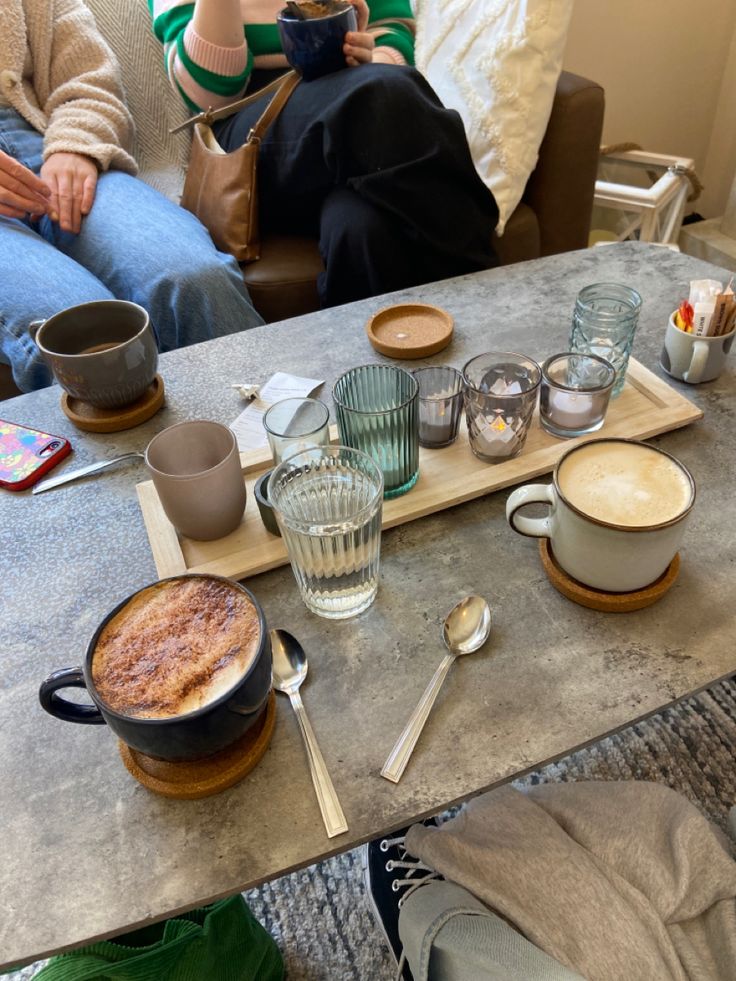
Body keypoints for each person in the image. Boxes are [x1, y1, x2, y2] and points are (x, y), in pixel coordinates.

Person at [150, 0, 500, 308]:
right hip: (250, 136)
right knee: (382, 96)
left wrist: (368, 57)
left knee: (361, 230)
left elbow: (393, 36)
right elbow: (210, 93)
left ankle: (365, 377)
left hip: (357, 116)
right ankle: (488, 302)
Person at [0, 0, 264, 394]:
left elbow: (90, 80)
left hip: (46, 139)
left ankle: (280, 441)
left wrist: (76, 143)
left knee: (192, 277)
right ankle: (145, 457)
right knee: (75, 331)